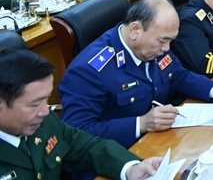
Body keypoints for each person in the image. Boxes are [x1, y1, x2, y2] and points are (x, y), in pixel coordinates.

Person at [58, 0, 213, 149]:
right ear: (135, 30)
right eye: (163, 41)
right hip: (119, 156)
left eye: (170, 41)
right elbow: (76, 133)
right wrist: (141, 124)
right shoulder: (88, 70)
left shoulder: (152, 47)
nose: (167, 49)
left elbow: (178, 75)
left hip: (160, 142)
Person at [0, 49, 162, 180]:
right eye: (34, 104)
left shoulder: (43, 121)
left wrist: (129, 168)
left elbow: (85, 147)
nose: (45, 111)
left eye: (46, 99)